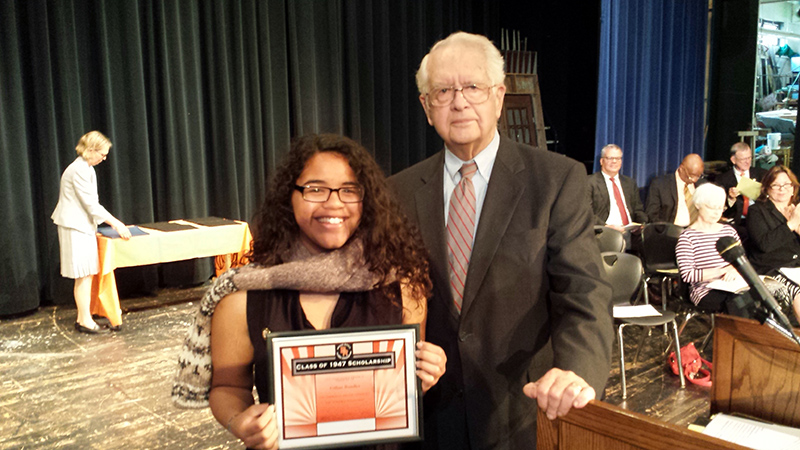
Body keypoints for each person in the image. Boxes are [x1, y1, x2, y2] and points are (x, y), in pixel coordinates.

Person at [388, 32, 613, 450]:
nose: (459, 102)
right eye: (442, 91)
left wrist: (578, 370)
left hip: (521, 413)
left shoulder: (556, 180)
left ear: (499, 95)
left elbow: (583, 291)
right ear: (425, 106)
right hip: (428, 417)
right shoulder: (396, 193)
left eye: (472, 86)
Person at [207, 134, 447, 450]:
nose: (334, 203)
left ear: (367, 200)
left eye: (349, 190)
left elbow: (401, 388)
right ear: (288, 197)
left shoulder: (401, 287)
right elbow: (226, 386)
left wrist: (425, 375)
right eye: (315, 189)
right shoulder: (243, 299)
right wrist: (239, 421)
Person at [51, 131, 131, 334]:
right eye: (102, 154)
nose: (104, 158)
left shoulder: (87, 168)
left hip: (82, 226)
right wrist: (116, 224)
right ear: (91, 150)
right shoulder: (78, 170)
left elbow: (91, 205)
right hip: (74, 227)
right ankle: (85, 321)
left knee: (86, 274)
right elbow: (91, 205)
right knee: (83, 274)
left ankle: (83, 317)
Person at [675, 183, 756, 317]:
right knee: (737, 303)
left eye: (720, 208)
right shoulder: (687, 237)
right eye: (711, 208)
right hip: (705, 290)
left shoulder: (728, 231)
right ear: (698, 205)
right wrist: (723, 271)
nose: (716, 213)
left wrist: (734, 269)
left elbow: (742, 260)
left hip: (734, 284)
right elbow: (687, 275)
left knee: (756, 297)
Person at [745, 165, 800, 322]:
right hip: (770, 268)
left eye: (787, 184)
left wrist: (798, 228)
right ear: (767, 189)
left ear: (793, 187)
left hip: (796, 266)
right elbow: (765, 245)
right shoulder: (757, 211)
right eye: (776, 185)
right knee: (798, 293)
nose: (782, 189)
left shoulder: (796, 209)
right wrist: (790, 225)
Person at [588, 144, 648, 231]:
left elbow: (638, 210)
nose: (614, 161)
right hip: (604, 232)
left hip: (630, 232)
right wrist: (606, 226)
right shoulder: (590, 182)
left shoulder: (629, 183)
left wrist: (642, 224)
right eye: (610, 158)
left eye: (618, 158)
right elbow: (586, 212)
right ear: (601, 161)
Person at [715, 142, 766, 238]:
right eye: (743, 159)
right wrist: (730, 198)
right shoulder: (722, 179)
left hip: (759, 219)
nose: (747, 162)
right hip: (737, 222)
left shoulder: (762, 174)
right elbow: (720, 208)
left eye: (749, 158)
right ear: (733, 160)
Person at [646, 153, 705, 226]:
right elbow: (652, 215)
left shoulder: (703, 185)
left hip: (699, 231)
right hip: (672, 232)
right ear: (681, 169)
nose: (694, 180)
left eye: (698, 176)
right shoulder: (660, 184)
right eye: (691, 176)